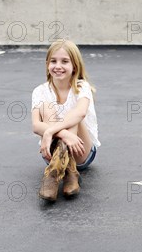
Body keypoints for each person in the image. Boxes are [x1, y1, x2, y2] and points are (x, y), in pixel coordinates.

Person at [31, 39, 100, 201]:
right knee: (46, 106)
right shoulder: (40, 91)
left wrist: (51, 131)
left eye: (65, 61)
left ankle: (54, 176)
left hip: (81, 151)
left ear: (74, 65)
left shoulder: (82, 87)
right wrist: (64, 134)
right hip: (51, 152)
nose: (58, 66)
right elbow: (35, 125)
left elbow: (80, 113)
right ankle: (68, 172)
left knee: (74, 113)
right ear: (47, 64)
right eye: (53, 61)